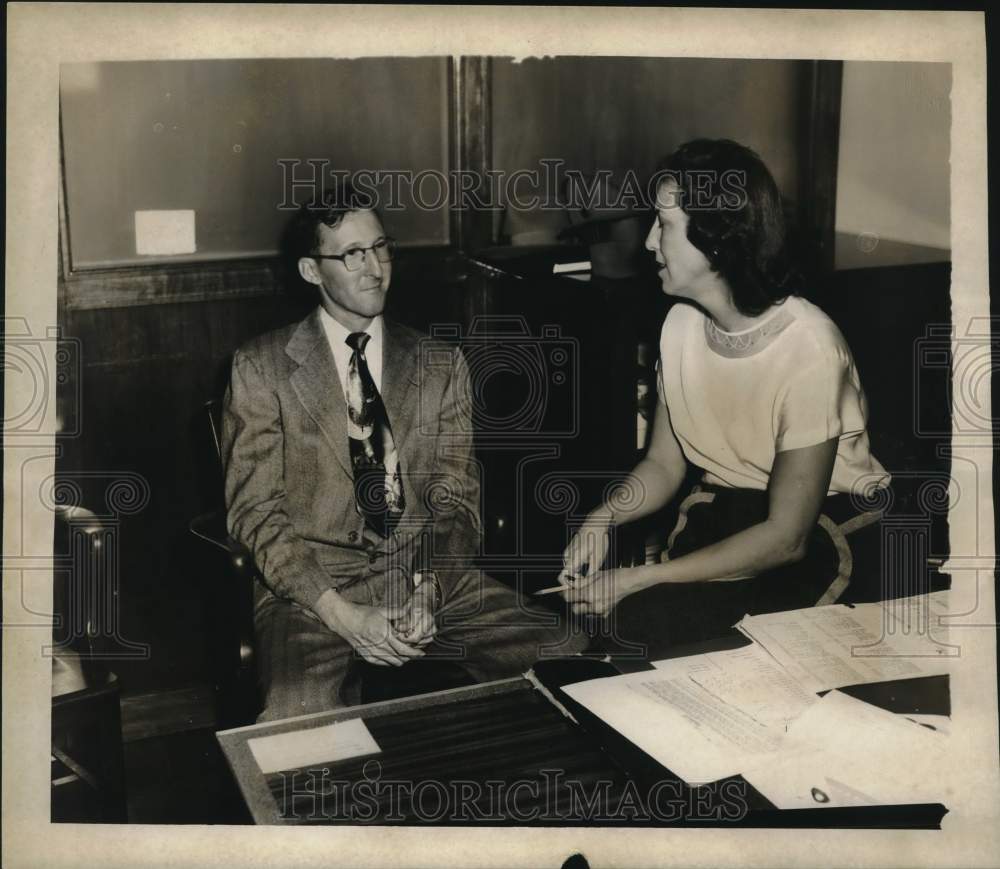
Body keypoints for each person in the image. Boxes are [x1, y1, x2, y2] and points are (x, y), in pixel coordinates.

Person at [223, 187, 582, 721]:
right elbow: (255, 514)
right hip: (312, 593)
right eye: (351, 254)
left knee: (575, 660)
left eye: (380, 247)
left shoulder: (439, 363)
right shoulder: (261, 367)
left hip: (426, 577)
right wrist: (343, 615)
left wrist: (429, 589)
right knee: (294, 720)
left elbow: (457, 501)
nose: (374, 268)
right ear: (310, 270)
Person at [560, 139, 892, 650]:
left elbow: (786, 538)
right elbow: (665, 467)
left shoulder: (810, 350)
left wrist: (636, 578)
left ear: (716, 241)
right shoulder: (679, 325)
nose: (649, 242)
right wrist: (601, 517)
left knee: (662, 631)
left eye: (664, 225)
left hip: (822, 531)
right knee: (628, 629)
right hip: (729, 517)